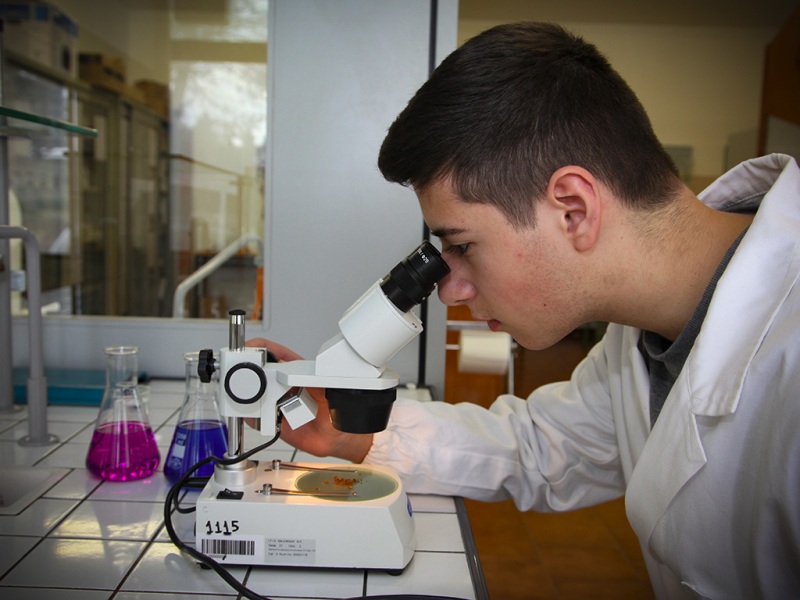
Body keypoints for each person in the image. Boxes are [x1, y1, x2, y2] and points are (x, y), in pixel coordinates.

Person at [250, 22, 800, 599]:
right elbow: (538, 448)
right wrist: (351, 438)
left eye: (461, 247)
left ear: (573, 210)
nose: (449, 289)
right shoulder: (637, 334)